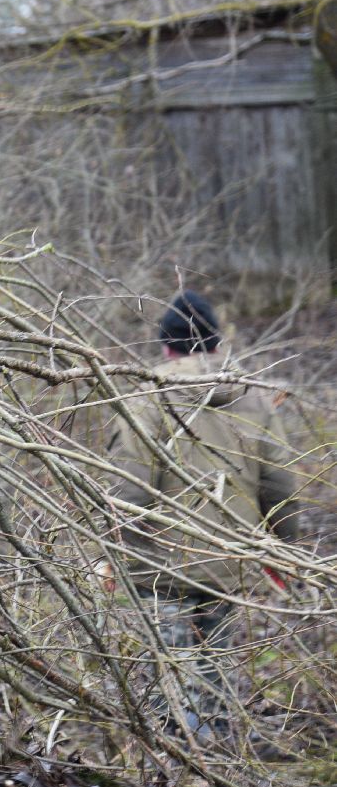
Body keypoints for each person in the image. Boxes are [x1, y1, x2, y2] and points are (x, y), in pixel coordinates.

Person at [108, 289, 300, 739]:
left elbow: (129, 486)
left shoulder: (147, 396)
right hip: (231, 559)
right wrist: (282, 548)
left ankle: (177, 768)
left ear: (166, 346)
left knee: (169, 676)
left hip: (162, 566)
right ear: (216, 344)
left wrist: (115, 549)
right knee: (215, 665)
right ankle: (213, 753)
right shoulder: (253, 398)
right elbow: (280, 484)